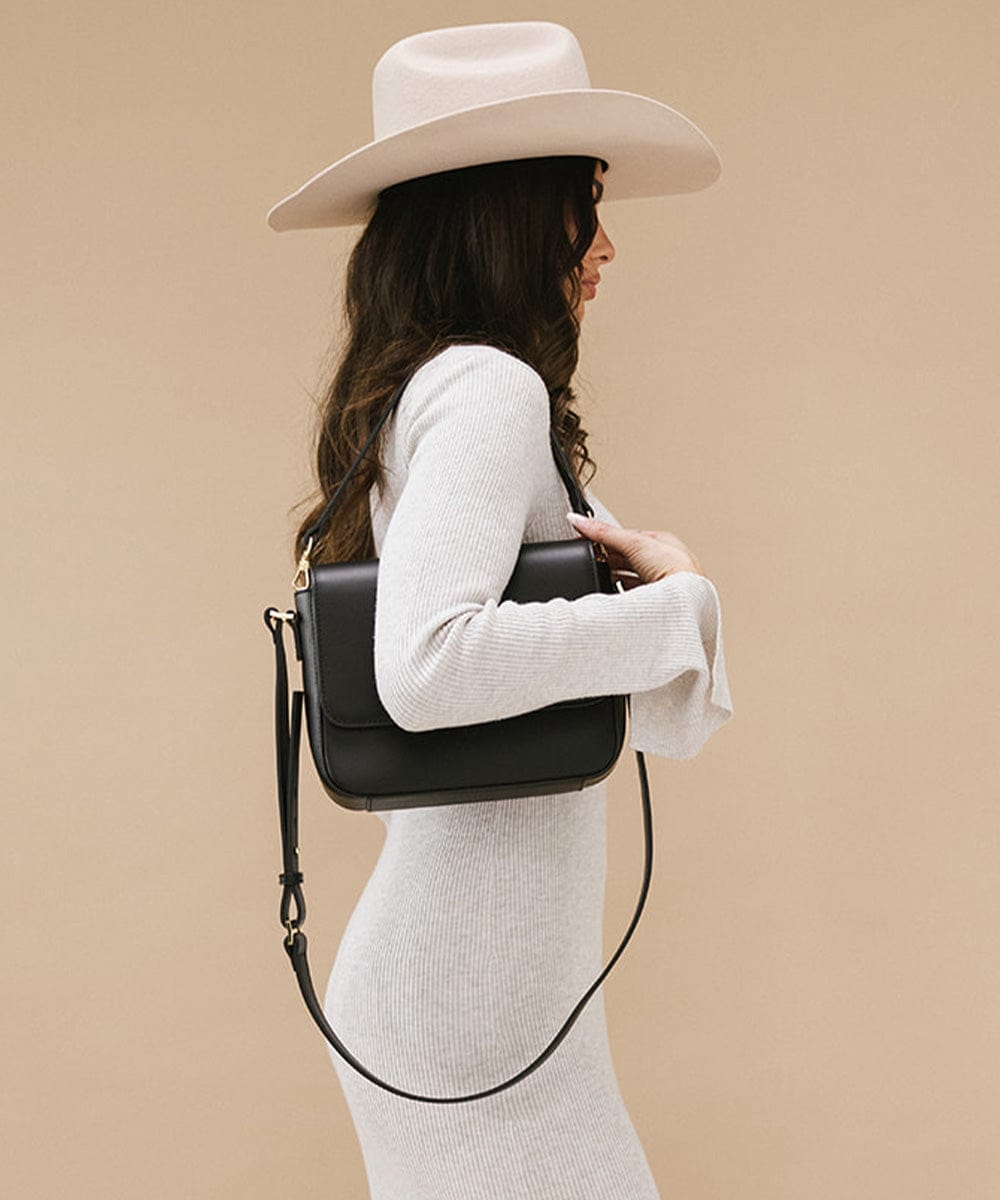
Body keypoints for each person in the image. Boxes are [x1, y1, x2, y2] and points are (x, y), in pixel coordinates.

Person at [268, 21, 733, 1199]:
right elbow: (428, 666)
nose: (606, 244)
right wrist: (677, 604)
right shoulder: (486, 388)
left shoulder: (440, 387)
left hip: (488, 987)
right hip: (470, 999)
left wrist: (667, 614)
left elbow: (659, 720)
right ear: (515, 211)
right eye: (584, 202)